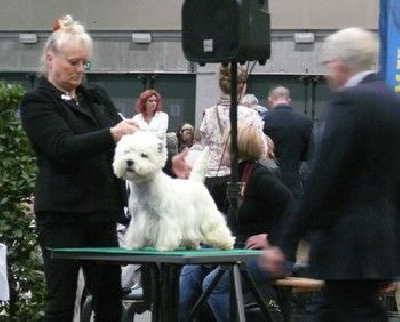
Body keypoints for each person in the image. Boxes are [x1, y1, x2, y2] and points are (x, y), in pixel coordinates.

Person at [19, 14, 189, 321]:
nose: (80, 70)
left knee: (110, 298)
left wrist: (164, 161)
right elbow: (63, 146)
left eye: (84, 63)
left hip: (101, 212)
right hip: (62, 217)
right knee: (61, 302)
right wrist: (111, 133)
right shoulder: (36, 102)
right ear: (50, 58)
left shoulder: (94, 96)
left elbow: (129, 146)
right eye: (72, 62)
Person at [260, 27, 400, 321]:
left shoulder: (349, 102)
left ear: (338, 65)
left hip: (347, 250)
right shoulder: (391, 101)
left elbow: (322, 180)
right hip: (378, 248)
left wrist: (285, 245)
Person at [179, 125, 293, 322]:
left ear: (234, 148)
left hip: (272, 254)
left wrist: (271, 238)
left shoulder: (260, 176)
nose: (221, 148)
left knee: (214, 286)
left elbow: (292, 206)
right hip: (239, 250)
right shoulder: (234, 178)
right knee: (188, 273)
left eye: (224, 144)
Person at [200, 64, 263, 213]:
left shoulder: (208, 114)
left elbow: (205, 146)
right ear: (241, 87)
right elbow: (259, 149)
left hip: (212, 178)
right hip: (240, 178)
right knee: (236, 226)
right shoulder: (251, 115)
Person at [263, 85, 314, 201]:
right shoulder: (304, 121)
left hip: (267, 182)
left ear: (270, 100)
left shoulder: (262, 120)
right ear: (289, 101)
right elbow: (309, 155)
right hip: (294, 183)